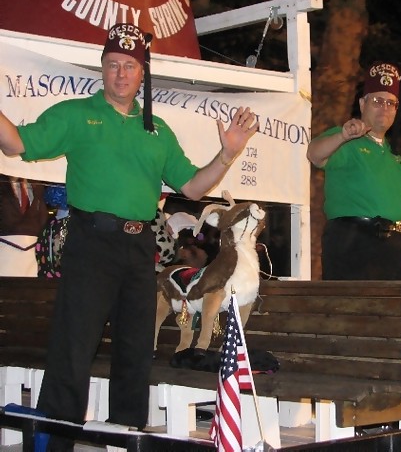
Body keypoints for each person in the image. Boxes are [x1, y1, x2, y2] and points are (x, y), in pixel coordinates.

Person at [0, 23, 258, 450]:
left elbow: (193, 188)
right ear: (102, 69)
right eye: (113, 64)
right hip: (90, 243)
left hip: (140, 249)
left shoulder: (156, 130)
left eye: (130, 66)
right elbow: (14, 144)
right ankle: (55, 446)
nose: (121, 73)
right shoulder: (75, 114)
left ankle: (126, 441)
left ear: (143, 73)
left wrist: (228, 154)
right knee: (73, 351)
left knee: (136, 355)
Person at [307, 61, 401, 281]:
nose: (385, 108)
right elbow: (314, 154)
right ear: (362, 104)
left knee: (393, 314)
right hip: (355, 244)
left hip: (397, 250)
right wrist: (343, 135)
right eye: (378, 101)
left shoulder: (395, 158)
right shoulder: (346, 140)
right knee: (355, 313)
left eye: (391, 103)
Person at [0, 174, 48, 276]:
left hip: (33, 260)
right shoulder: (3, 182)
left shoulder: (36, 183)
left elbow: (42, 217)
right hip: (4, 256)